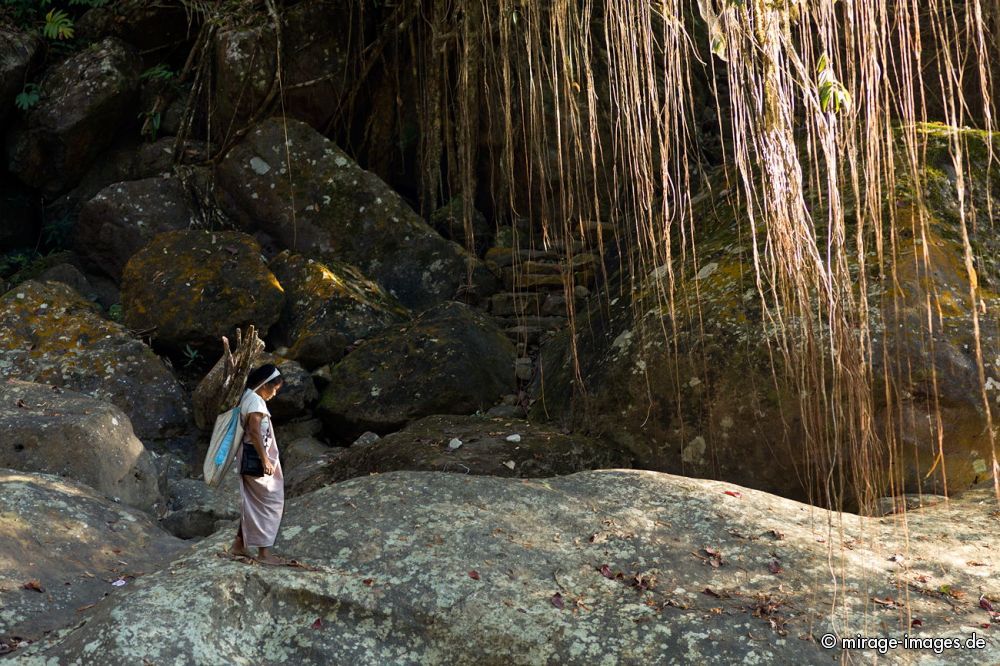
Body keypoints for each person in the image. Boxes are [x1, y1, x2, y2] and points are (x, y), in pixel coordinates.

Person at [230, 363, 287, 565]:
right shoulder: (255, 402)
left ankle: (239, 545)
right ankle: (264, 553)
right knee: (270, 501)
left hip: (248, 456)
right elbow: (254, 431)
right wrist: (265, 460)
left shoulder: (248, 397)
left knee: (253, 503)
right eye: (273, 389)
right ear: (264, 384)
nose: (273, 394)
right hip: (255, 458)